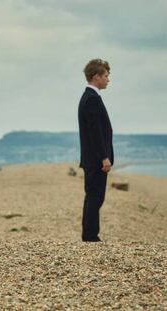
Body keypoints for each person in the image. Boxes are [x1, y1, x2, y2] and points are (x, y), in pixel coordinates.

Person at [78, 58, 114, 242]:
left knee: (95, 196)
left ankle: (91, 235)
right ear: (96, 77)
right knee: (94, 196)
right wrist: (104, 158)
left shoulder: (91, 97)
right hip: (95, 160)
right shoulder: (91, 99)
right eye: (106, 76)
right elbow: (95, 132)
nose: (108, 79)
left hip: (93, 159)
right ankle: (90, 236)